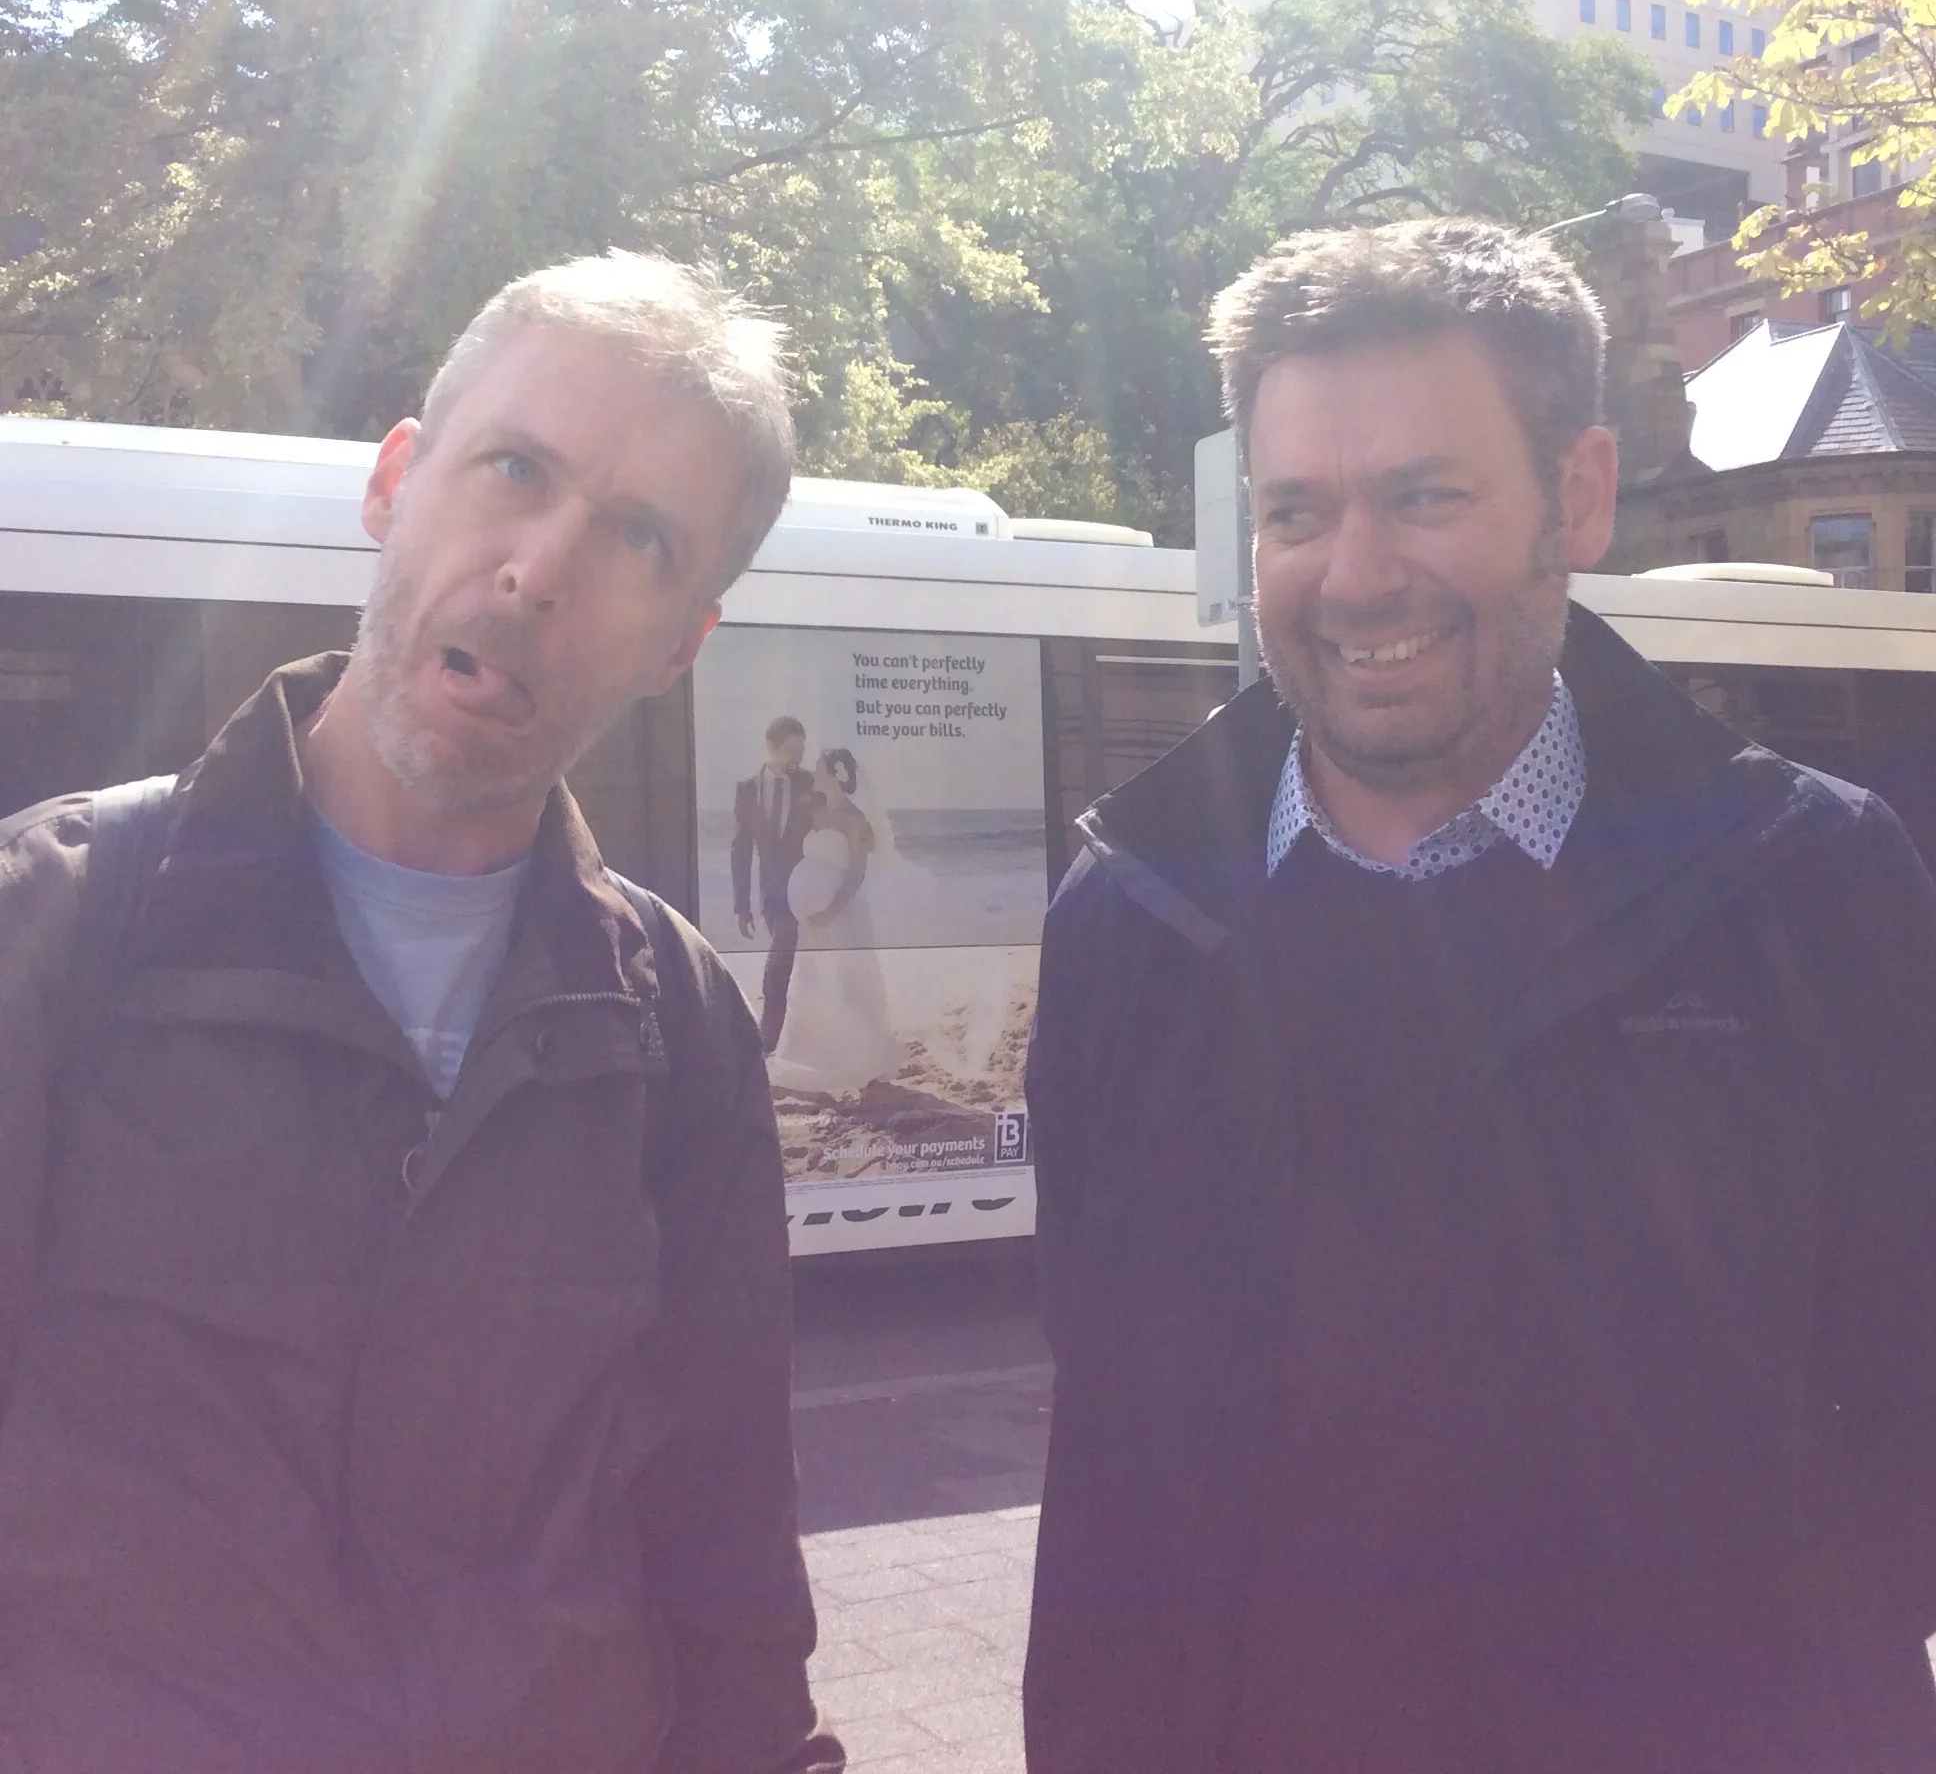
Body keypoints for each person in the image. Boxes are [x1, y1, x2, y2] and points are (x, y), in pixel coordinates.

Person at [1023, 217, 1936, 1774]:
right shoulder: (1127, 925)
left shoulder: (1810, 888)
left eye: (1425, 496)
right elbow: (1113, 1443)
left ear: (1574, 497)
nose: (1354, 574)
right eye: (1297, 510)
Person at [0, 251, 844, 1774]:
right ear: (396, 481)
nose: (537, 570)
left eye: (639, 538)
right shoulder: (52, 930)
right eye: (513, 469)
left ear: (680, 646)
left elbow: (727, 1569)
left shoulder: (677, 1033)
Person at [767, 750, 900, 1095]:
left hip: (842, 916)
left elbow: (856, 873)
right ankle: (811, 1063)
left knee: (847, 985)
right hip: (811, 923)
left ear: (834, 776)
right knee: (812, 985)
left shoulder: (855, 819)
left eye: (820, 769)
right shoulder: (819, 812)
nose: (814, 773)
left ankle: (856, 1064)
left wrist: (831, 911)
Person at [733, 715, 816, 1053]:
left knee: (782, 956)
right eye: (791, 751)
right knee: (788, 959)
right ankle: (786, 1037)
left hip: (806, 890)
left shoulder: (811, 784)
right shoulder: (747, 789)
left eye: (801, 752)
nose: (796, 759)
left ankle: (767, 1039)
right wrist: (742, 906)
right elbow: (741, 849)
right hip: (770, 892)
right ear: (772, 747)